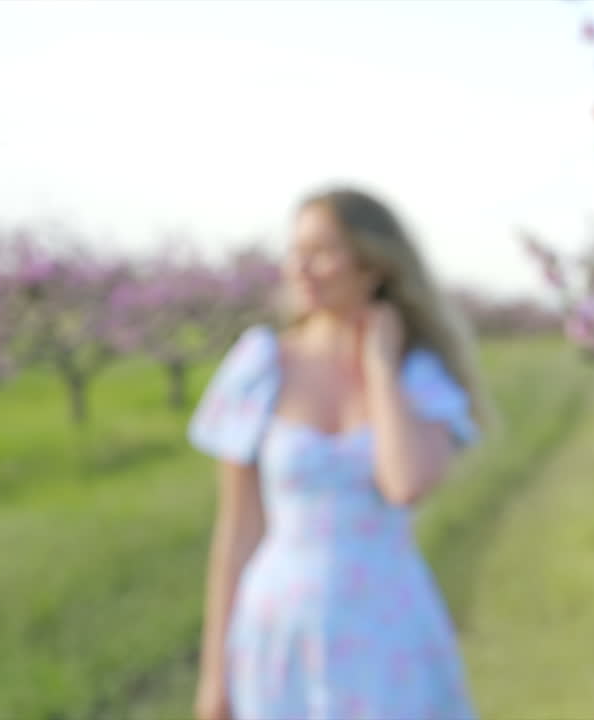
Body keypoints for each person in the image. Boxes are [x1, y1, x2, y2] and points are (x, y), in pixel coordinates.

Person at [189, 188, 483, 720]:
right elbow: (237, 532)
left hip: (387, 627)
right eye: (295, 249)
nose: (301, 267)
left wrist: (378, 363)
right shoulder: (262, 365)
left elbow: (405, 484)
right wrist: (215, 678)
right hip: (278, 627)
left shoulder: (417, 377)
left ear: (373, 266)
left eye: (322, 251)